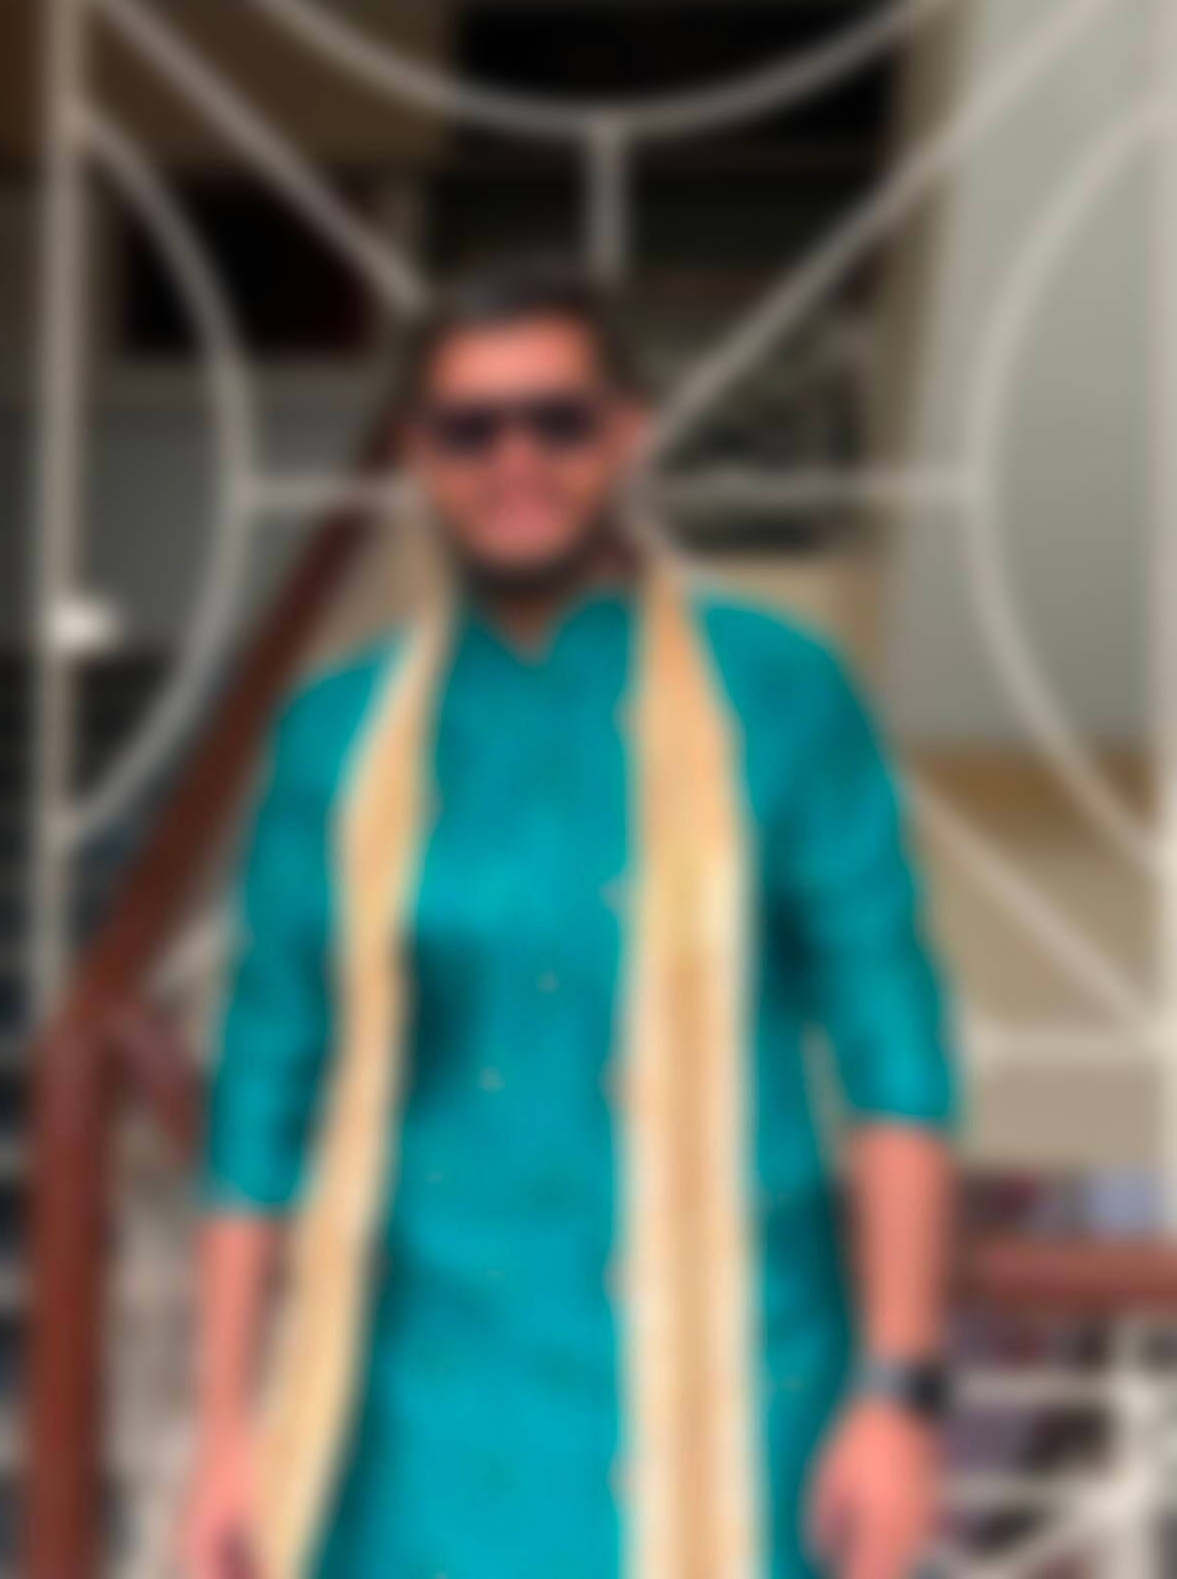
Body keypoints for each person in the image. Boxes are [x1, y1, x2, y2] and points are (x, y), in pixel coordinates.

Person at [182, 259, 957, 1579]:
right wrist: (222, 1434)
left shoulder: (779, 694)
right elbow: (262, 1093)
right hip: (412, 1412)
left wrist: (898, 1388)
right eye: (469, 429)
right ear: (418, 455)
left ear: (627, 433)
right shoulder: (336, 737)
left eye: (559, 419)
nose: (516, 461)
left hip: (736, 1389)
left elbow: (895, 1057)